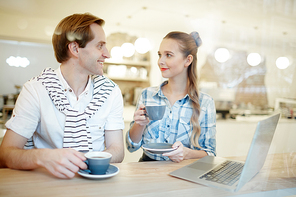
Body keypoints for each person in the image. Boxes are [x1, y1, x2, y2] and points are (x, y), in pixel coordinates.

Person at [0, 13, 125, 178]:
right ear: (74, 49)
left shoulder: (111, 91)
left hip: (97, 185)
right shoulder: (36, 90)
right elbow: (5, 154)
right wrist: (43, 157)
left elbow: (117, 150)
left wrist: (88, 163)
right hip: (47, 184)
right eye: (100, 46)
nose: (107, 54)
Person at [126, 31, 216, 162]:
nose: (160, 61)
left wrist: (187, 153)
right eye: (159, 55)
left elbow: (210, 153)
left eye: (168, 55)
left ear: (188, 60)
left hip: (184, 171)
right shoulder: (147, 95)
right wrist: (139, 124)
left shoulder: (205, 102)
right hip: (147, 169)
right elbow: (131, 147)